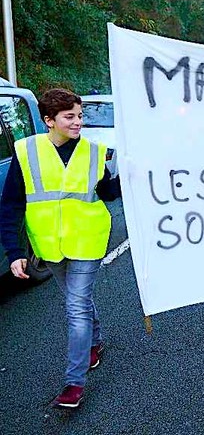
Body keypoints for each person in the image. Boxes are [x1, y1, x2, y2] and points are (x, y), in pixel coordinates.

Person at [0, 88, 121, 407]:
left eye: (80, 115)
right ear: (48, 120)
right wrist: (14, 252)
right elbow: (11, 203)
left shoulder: (94, 152)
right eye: (70, 117)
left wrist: (136, 176)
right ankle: (94, 344)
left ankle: (73, 383)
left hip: (88, 239)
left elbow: (108, 192)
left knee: (76, 305)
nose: (78, 122)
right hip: (49, 245)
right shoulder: (26, 151)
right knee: (76, 299)